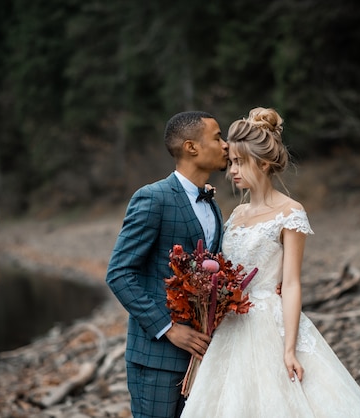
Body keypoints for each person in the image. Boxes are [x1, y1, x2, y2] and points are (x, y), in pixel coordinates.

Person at [180, 108, 360, 417]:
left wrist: (289, 348)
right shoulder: (236, 213)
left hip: (269, 322)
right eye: (231, 162)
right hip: (230, 323)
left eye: (241, 162)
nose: (232, 170)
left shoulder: (290, 213)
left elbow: (290, 283)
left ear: (263, 163)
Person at [106, 111, 229, 418]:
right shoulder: (153, 198)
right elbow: (119, 273)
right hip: (156, 358)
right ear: (191, 147)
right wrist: (168, 328)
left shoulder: (211, 204)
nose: (225, 145)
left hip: (203, 356)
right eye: (217, 137)